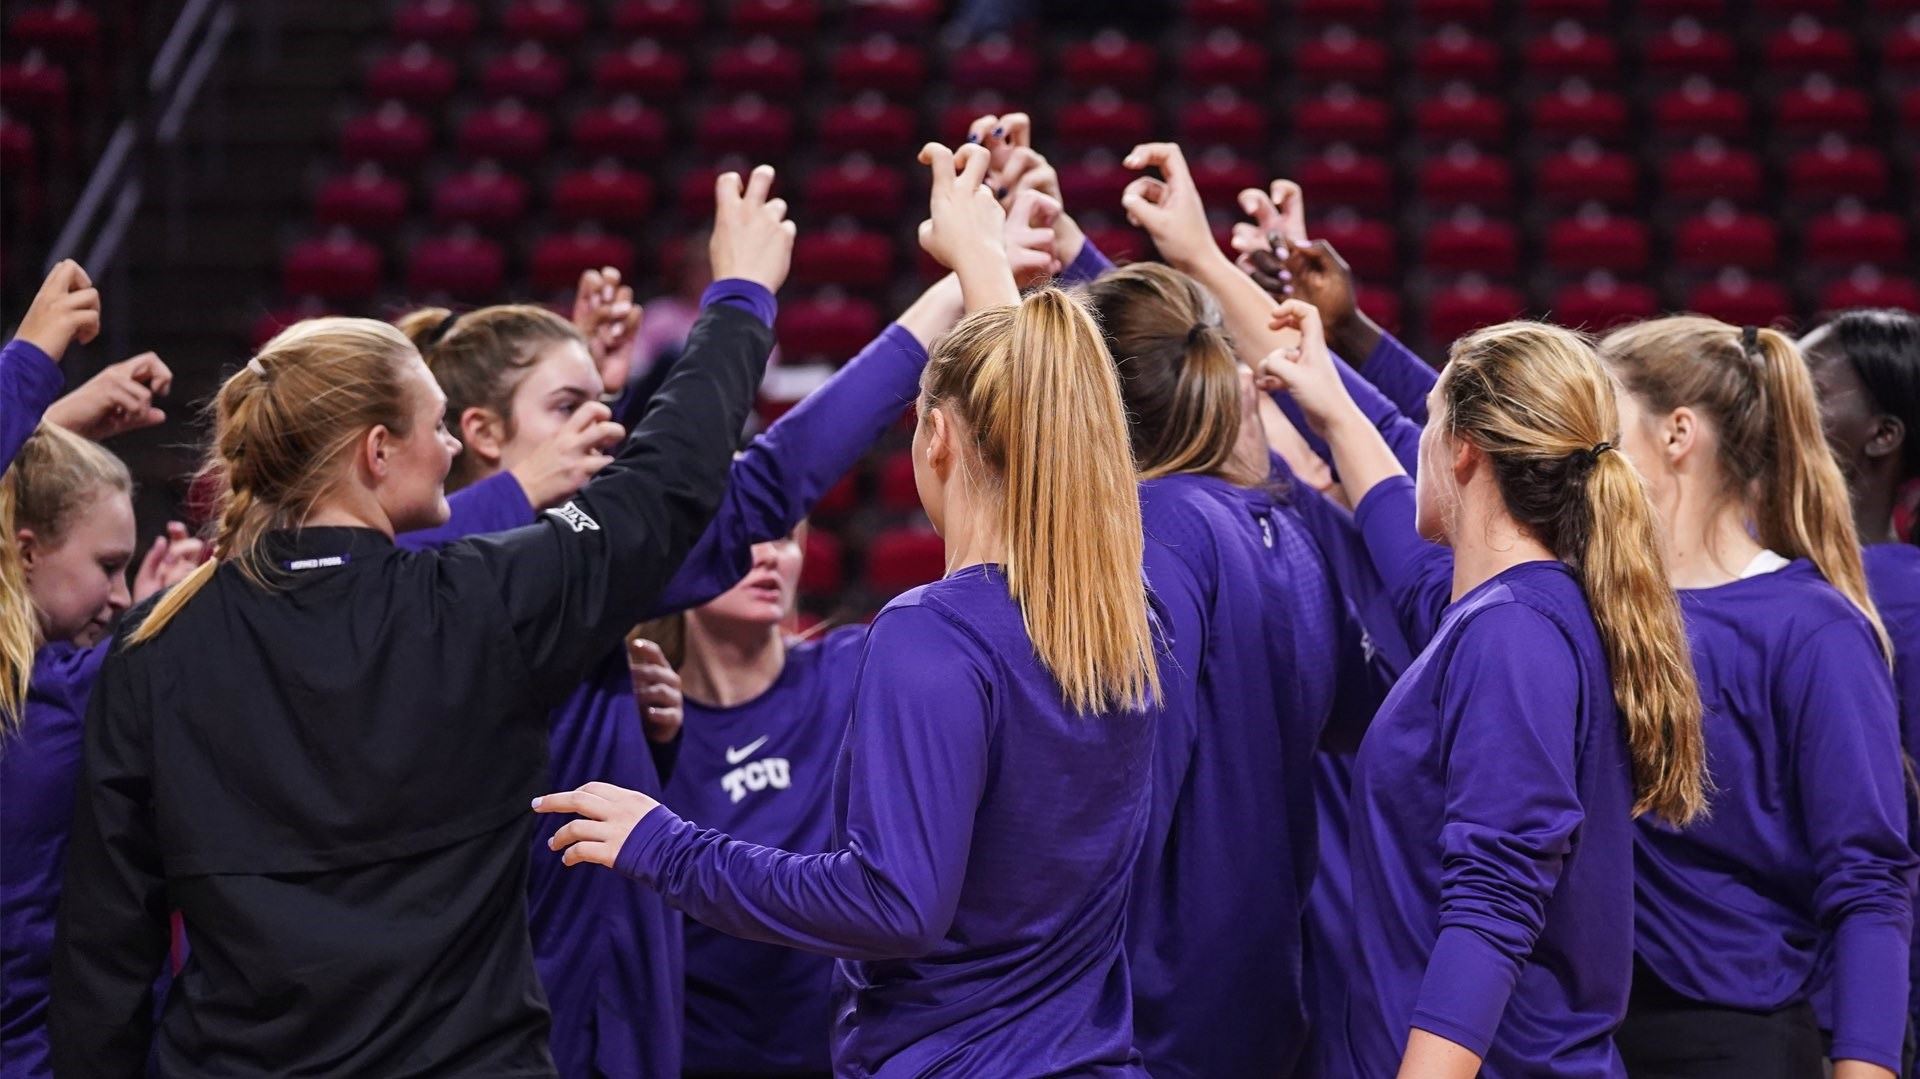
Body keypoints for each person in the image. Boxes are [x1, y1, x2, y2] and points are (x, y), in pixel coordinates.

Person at [49, 165, 794, 1076]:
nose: (450, 447)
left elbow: (105, 950)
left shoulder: (153, 645)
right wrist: (740, 298)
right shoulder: (482, 600)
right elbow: (661, 489)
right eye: (438, 426)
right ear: (376, 451)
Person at [534, 143, 1167, 1077]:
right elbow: (1052, 423)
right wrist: (978, 266)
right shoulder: (1124, 618)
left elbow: (895, 905)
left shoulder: (932, 634)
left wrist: (664, 844)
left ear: (935, 435)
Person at [394, 258, 975, 1077]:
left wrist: (636, 732)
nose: (599, 429)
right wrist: (746, 292)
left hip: (628, 1028)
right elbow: (761, 481)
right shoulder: (438, 590)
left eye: (603, 409)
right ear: (481, 434)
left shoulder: (588, 594)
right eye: (570, 407)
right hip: (502, 1031)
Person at [1277, 302, 1706, 1076]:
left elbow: (1493, 903)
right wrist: (1332, 410)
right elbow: (1402, 553)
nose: (1418, 443)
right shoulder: (1511, 607)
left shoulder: (1512, 635)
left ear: (1465, 448)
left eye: (1430, 420)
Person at [1602, 317, 1915, 1079]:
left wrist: (1865, 1065)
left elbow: (1869, 883)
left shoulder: (1815, 629)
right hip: (1591, 1035)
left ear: (1678, 434)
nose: (1584, 455)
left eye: (1604, 426)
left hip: (1738, 1043)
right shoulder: (1592, 604)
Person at [0, 420, 201, 1078]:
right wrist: (158, 614)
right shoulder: (61, 697)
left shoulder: (49, 687)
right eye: (107, 565)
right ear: (26, 551)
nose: (118, 596)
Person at [1804, 308, 1920, 1049]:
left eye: (1813, 384)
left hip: (1870, 1003)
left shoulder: (1906, 597)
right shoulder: (1746, 571)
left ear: (1880, 435)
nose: (1782, 397)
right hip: (1769, 989)